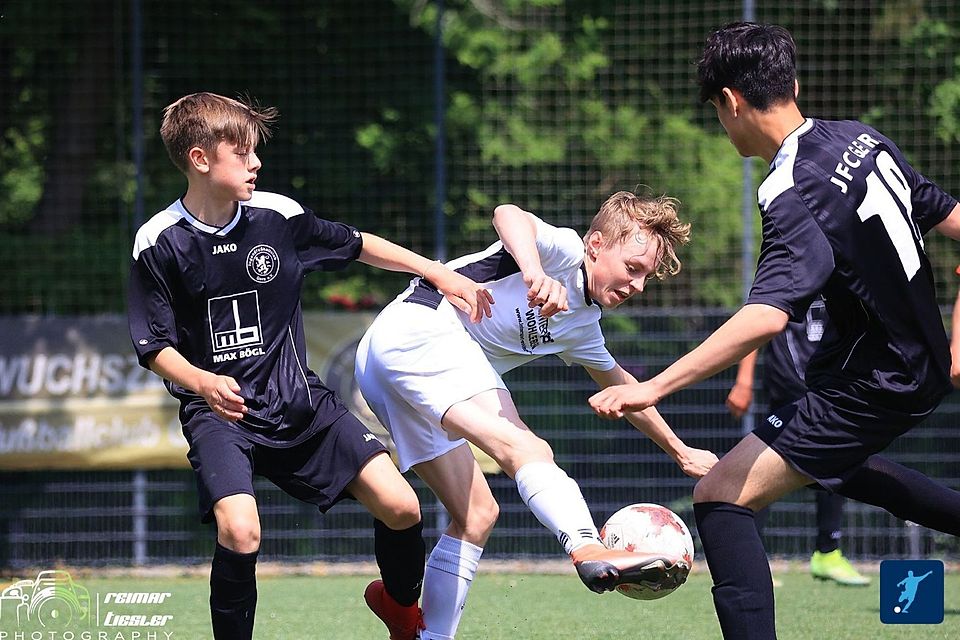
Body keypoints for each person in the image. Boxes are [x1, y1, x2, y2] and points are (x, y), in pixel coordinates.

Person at [589, 22, 960, 640]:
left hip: (872, 381)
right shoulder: (861, 138)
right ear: (793, 84)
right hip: (913, 363)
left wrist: (652, 387)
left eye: (717, 112)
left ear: (730, 101)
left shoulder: (790, 189)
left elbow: (765, 315)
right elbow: (947, 213)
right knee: (837, 466)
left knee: (720, 497)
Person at [127, 92, 493, 640]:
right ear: (200, 159)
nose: (256, 163)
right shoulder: (158, 242)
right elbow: (153, 346)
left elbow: (357, 245)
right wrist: (203, 383)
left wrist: (435, 271)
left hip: (300, 404)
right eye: (242, 152)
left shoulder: (278, 217)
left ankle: (399, 610)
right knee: (240, 530)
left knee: (401, 507)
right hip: (220, 417)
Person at [355, 192, 718, 640]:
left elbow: (627, 391)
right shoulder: (563, 251)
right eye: (632, 267)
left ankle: (424, 634)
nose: (638, 286)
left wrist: (680, 452)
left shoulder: (584, 329)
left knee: (476, 515)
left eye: (646, 277)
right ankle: (587, 547)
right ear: (596, 245)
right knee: (528, 448)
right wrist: (534, 272)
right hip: (419, 328)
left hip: (387, 367)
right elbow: (507, 214)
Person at [727, 299, 869, 586]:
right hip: (789, 389)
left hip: (828, 389)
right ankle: (747, 561)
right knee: (762, 472)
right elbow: (758, 319)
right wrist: (744, 380)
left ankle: (828, 552)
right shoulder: (789, 278)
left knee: (837, 462)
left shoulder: (847, 282)